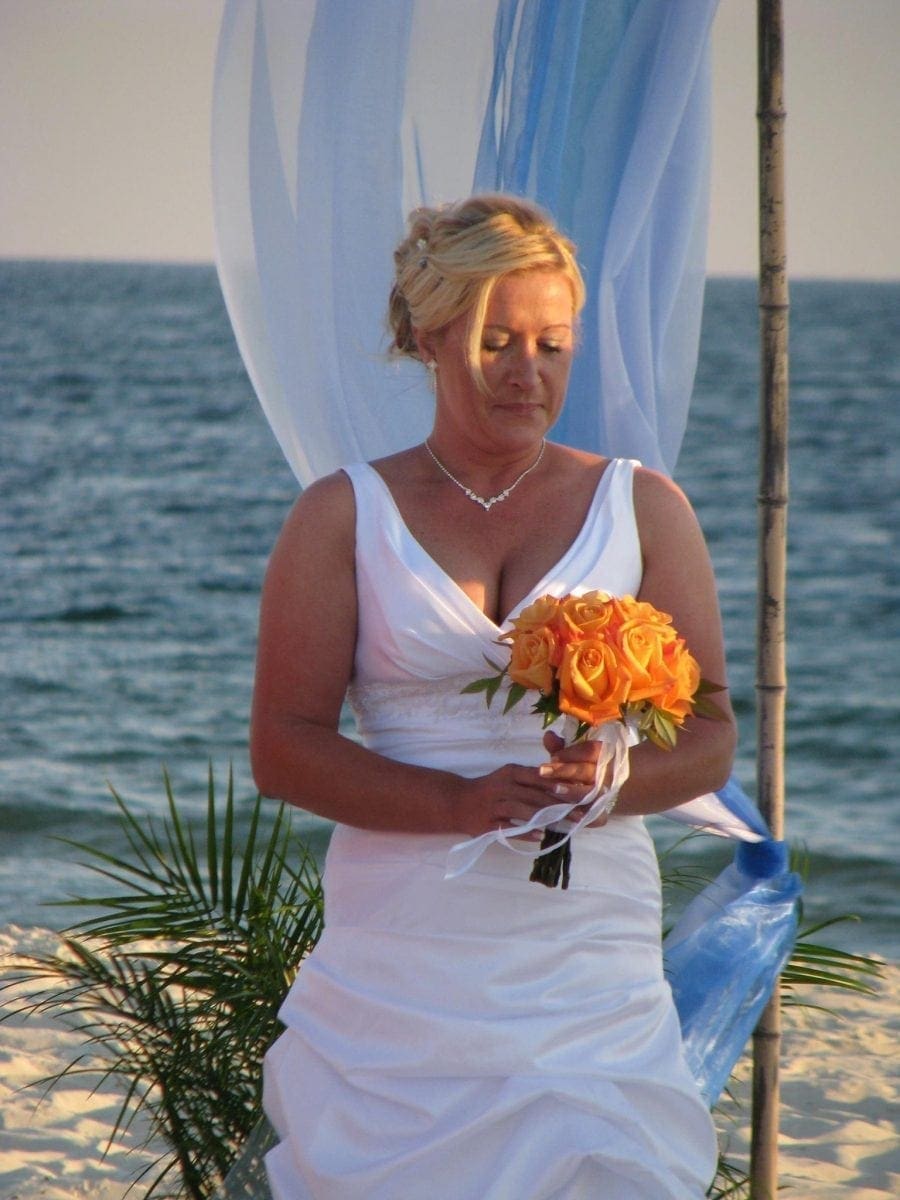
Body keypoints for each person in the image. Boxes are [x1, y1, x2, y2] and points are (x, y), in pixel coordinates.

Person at [251, 194, 737, 1199]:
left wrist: (606, 782)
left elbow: (713, 731)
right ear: (428, 339)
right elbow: (286, 744)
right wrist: (455, 807)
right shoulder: (344, 514)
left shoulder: (642, 506)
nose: (529, 373)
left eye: (553, 344)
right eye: (496, 342)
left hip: (585, 955)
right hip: (403, 949)